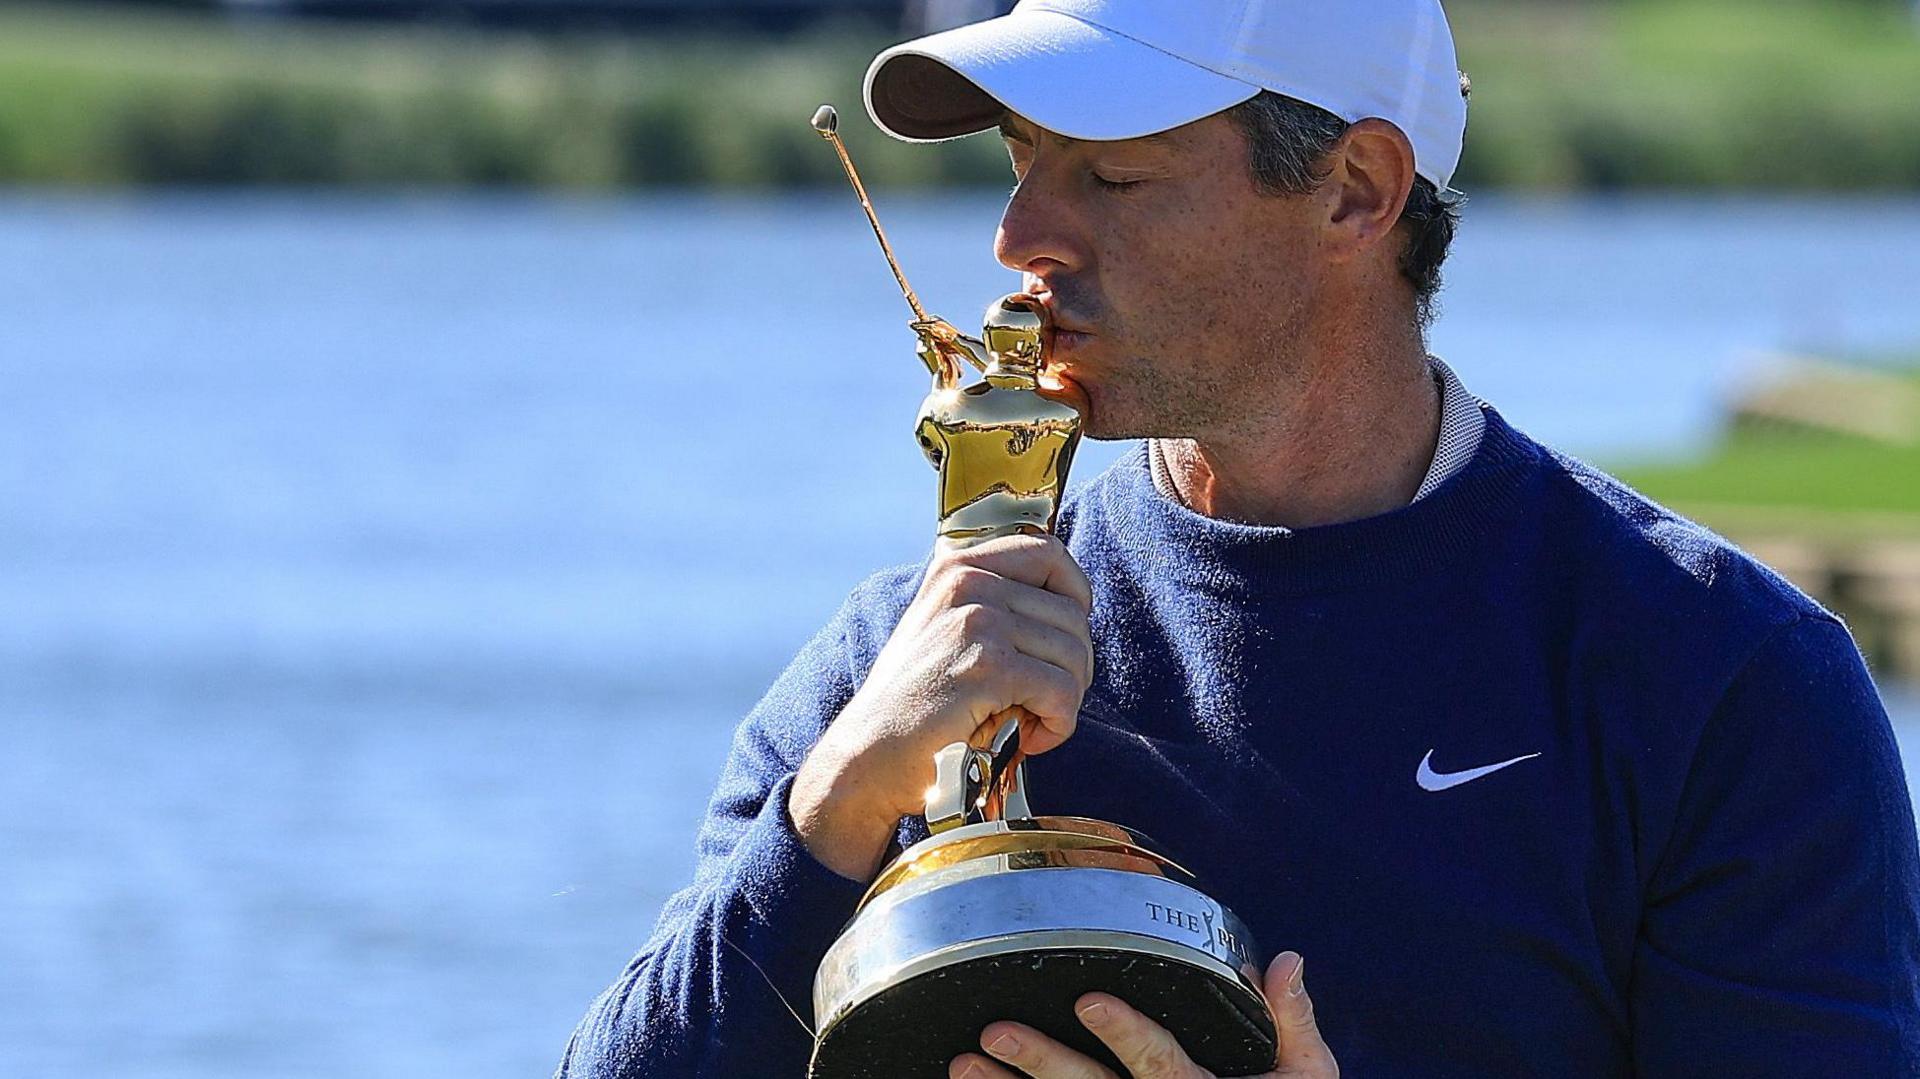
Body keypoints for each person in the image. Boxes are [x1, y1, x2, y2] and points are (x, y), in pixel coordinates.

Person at [557, 1, 1920, 1075]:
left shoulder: (1721, 680)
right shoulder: (900, 665)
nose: (1020, 237)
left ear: (1356, 192)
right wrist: (837, 803)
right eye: (1023, 161)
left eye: (1112, 178)